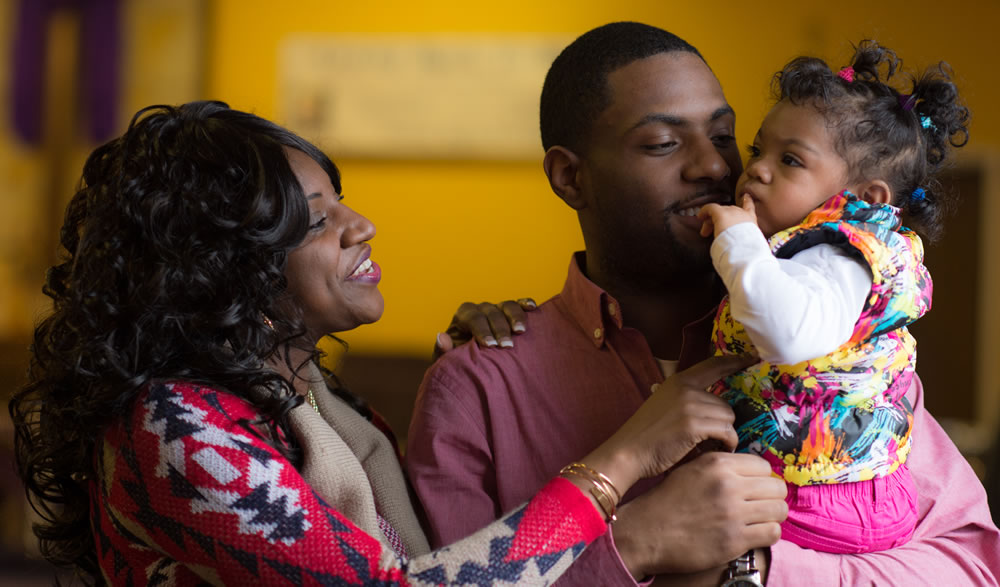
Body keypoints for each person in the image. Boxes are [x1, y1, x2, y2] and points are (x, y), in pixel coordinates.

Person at [8, 99, 762, 586]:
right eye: (314, 219)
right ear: (224, 268)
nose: (359, 224)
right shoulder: (174, 429)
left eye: (339, 201)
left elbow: (412, 545)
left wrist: (474, 379)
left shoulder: (318, 400)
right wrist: (625, 463)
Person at [407, 22, 1000, 585]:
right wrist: (636, 542)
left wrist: (760, 573)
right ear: (569, 177)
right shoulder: (479, 387)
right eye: (664, 143)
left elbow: (971, 565)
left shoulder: (843, 352)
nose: (717, 166)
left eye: (723, 137)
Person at [695, 40, 969, 555]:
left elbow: (786, 334)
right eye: (758, 151)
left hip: (821, 494)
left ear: (865, 199)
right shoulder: (814, 252)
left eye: (791, 160)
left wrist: (739, 241)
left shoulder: (839, 253)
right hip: (828, 487)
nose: (757, 169)